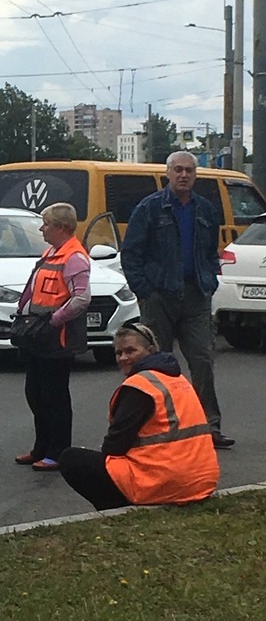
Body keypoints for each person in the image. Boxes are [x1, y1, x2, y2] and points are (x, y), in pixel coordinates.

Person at [121, 150, 234, 449]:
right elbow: (131, 253)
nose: (184, 175)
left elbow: (212, 251)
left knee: (202, 360)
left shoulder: (205, 209)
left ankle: (209, 427)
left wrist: (209, 279)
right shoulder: (150, 208)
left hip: (196, 294)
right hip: (158, 296)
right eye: (178, 170)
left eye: (189, 171)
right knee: (156, 363)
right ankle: (155, 427)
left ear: (195, 175)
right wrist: (144, 290)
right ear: (168, 174)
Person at [58, 322, 219, 510]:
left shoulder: (140, 387)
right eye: (118, 353)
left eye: (130, 351)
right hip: (201, 480)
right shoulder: (177, 378)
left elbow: (115, 445)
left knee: (71, 459)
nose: (123, 358)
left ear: (150, 351)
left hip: (167, 483)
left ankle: (116, 509)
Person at [14, 202, 91, 472]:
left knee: (55, 396)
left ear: (60, 227)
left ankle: (58, 451)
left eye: (46, 224)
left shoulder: (74, 257)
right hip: (39, 334)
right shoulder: (52, 252)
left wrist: (55, 320)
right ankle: (41, 447)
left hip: (57, 337)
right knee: (35, 392)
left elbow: (81, 298)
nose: (42, 228)